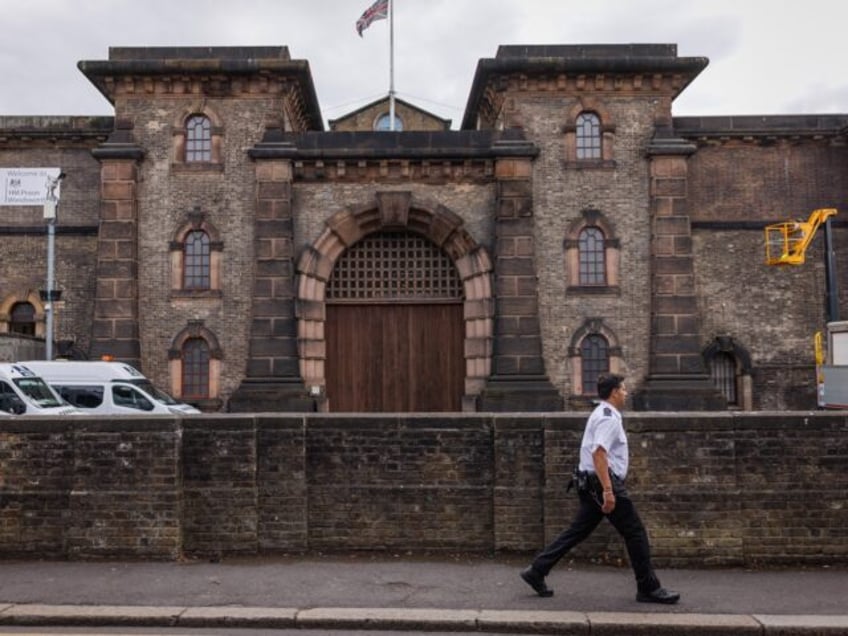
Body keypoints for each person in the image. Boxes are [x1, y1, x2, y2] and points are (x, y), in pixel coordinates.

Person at [520, 373, 680, 604]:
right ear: (614, 392)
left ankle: (537, 571)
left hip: (590, 483)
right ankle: (648, 588)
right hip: (600, 483)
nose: (626, 393)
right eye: (623, 389)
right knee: (635, 532)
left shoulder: (602, 413)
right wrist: (608, 490)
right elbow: (599, 453)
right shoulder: (608, 418)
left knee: (578, 531)